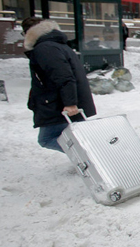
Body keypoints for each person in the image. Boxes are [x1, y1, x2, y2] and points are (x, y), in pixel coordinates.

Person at [22, 17, 96, 152]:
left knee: (47, 139)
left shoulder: (45, 48)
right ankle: (91, 156)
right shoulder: (56, 45)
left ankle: (92, 156)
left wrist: (70, 103)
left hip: (57, 103)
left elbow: (63, 77)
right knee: (75, 136)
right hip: (60, 100)